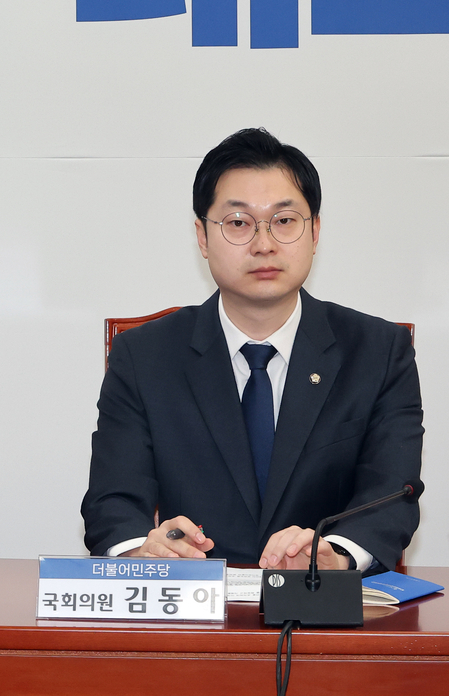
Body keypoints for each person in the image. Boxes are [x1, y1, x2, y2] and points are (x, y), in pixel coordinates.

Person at [82, 128, 423, 572]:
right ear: (203, 238)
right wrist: (141, 552)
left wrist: (335, 557)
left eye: (284, 221)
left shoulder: (378, 353)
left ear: (315, 232)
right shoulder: (143, 357)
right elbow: (112, 501)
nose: (264, 244)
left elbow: (392, 496)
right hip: (192, 617)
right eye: (239, 223)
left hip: (324, 617)